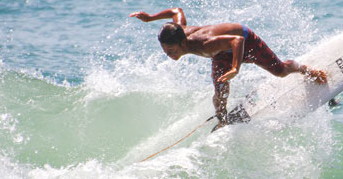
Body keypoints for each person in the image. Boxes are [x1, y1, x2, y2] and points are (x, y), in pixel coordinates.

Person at [130, 8, 327, 128]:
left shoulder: (205, 44)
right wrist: (150, 18)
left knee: (280, 71)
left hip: (245, 41)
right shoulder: (178, 30)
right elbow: (176, 11)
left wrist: (235, 68)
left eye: (171, 50)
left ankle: (302, 68)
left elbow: (237, 40)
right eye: (165, 51)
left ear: (183, 43)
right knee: (220, 92)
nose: (169, 55)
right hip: (221, 52)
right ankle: (223, 120)